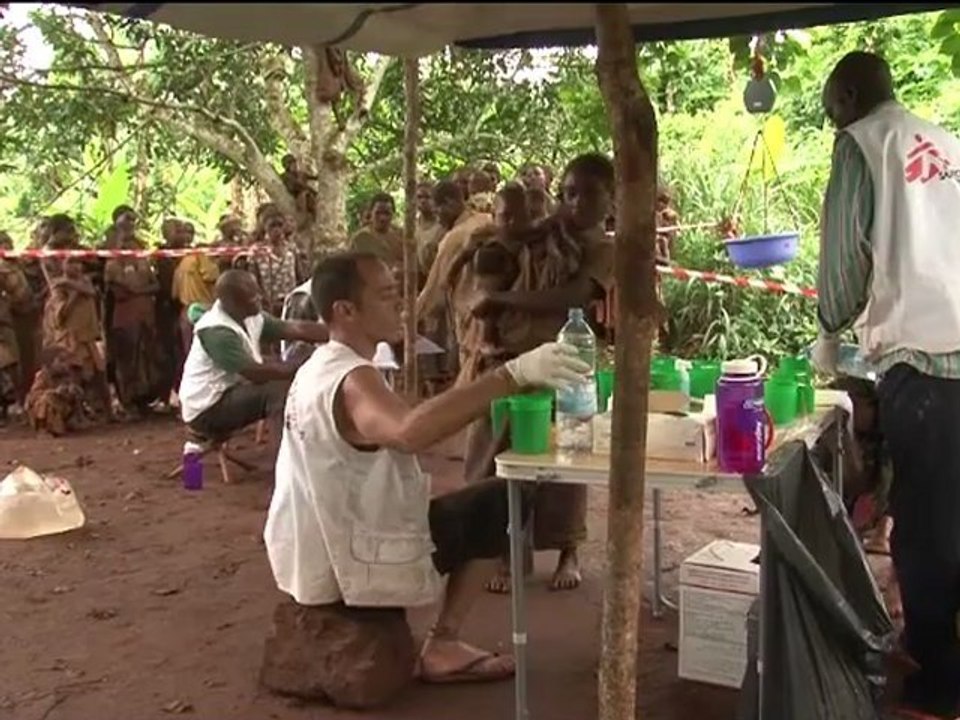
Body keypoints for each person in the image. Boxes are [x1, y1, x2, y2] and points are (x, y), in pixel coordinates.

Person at [263, 251, 589, 684]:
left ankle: (440, 641)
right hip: (347, 559)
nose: (400, 304)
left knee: (475, 499)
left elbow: (407, 423)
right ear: (345, 311)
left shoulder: (319, 367)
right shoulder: (354, 379)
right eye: (386, 296)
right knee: (503, 500)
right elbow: (410, 431)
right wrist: (511, 374)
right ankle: (444, 643)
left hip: (312, 553)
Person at [813, 51, 960, 720]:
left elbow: (844, 257)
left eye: (829, 112)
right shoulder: (945, 141)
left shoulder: (862, 144)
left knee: (925, 531)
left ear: (847, 97)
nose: (831, 123)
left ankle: (935, 685)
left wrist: (829, 330)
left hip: (924, 365)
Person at [467, 153, 616, 594]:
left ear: (611, 199)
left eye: (588, 194)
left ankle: (567, 550)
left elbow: (573, 295)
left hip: (564, 363)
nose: (575, 203)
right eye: (568, 193)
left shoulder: (604, 249)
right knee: (496, 455)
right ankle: (506, 552)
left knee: (564, 461)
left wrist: (504, 302)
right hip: (509, 358)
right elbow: (496, 256)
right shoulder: (540, 235)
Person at [178, 270, 328, 442]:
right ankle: (286, 456)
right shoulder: (217, 331)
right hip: (207, 410)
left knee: (289, 367)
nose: (260, 297)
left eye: (257, 292)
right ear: (232, 302)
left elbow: (294, 329)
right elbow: (254, 373)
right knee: (277, 391)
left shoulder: (248, 316)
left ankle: (303, 442)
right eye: (252, 296)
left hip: (229, 393)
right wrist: (298, 368)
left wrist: (338, 333)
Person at [103, 226, 162, 415]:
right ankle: (128, 403)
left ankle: (145, 401)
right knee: (128, 360)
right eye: (124, 241)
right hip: (125, 318)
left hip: (147, 316)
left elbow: (156, 285)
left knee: (147, 358)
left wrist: (138, 291)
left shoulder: (143, 263)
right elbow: (119, 292)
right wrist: (137, 291)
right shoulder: (112, 265)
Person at [0, 231, 33, 421]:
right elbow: (18, 293)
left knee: (12, 363)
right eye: (5, 243)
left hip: (9, 319)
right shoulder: (4, 267)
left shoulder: (13, 265)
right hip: (3, 321)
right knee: (8, 362)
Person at [348, 193, 406, 271]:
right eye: (378, 213)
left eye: (387, 213)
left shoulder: (401, 236)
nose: (382, 218)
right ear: (371, 213)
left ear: (393, 214)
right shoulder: (360, 239)